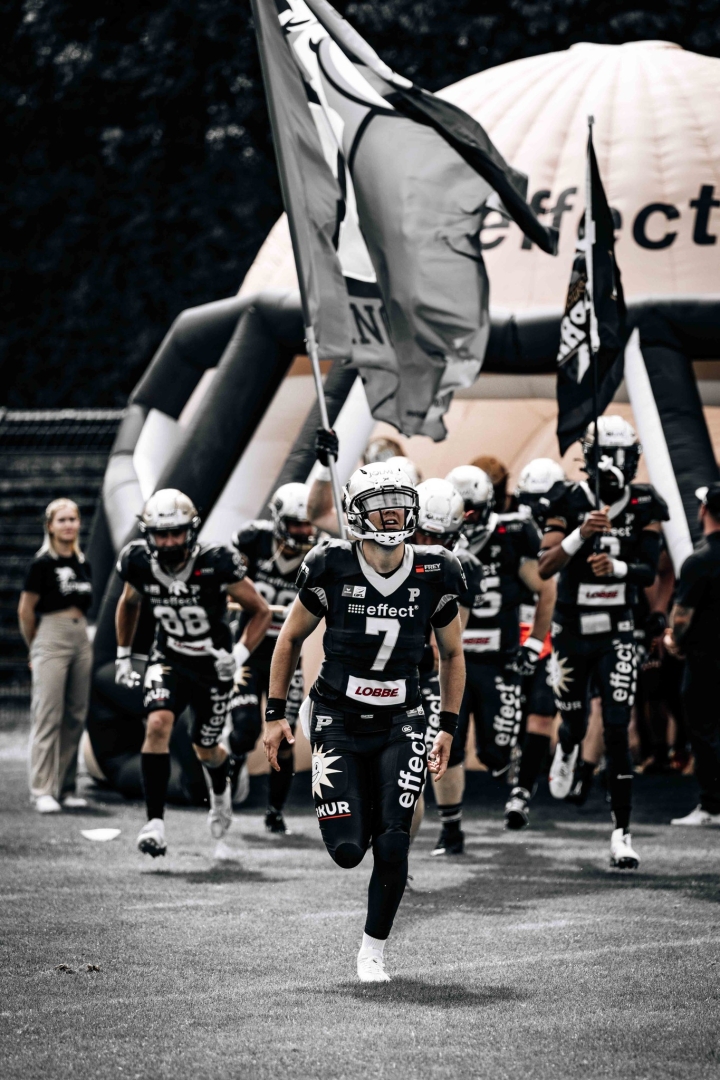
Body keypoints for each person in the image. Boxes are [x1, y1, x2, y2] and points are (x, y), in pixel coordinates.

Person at [263, 461, 466, 982]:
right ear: (356, 514)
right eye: (379, 505)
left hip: (403, 717)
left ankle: (372, 951)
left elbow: (452, 653)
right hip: (337, 716)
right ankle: (365, 807)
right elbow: (289, 638)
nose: (392, 514)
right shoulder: (331, 563)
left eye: (399, 503)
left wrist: (447, 725)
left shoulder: (437, 569)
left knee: (394, 839)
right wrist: (274, 714)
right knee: (350, 850)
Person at [539, 416, 668, 869]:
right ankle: (568, 746)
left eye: (622, 456)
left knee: (616, 726)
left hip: (617, 630)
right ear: (591, 459)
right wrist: (581, 534)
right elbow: (545, 565)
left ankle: (621, 832)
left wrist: (618, 569)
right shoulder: (567, 498)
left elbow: (649, 571)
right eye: (607, 456)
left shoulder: (645, 502)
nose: (615, 465)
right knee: (574, 721)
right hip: (572, 630)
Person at [114, 489, 271, 857]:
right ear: (148, 534)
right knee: (157, 724)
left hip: (212, 667)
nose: (169, 542)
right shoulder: (137, 562)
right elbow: (128, 602)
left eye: (176, 533)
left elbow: (261, 611)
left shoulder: (216, 562)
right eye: (161, 534)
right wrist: (123, 655)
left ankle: (220, 789)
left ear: (191, 531)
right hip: (168, 657)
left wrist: (238, 655)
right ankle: (154, 823)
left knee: (206, 748)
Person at [430, 464, 554, 854]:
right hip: (454, 660)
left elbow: (546, 589)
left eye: (474, 510)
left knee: (494, 752)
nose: (468, 519)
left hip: (499, 659)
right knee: (447, 745)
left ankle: (516, 773)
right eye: (461, 511)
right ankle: (451, 830)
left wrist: (535, 643)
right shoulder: (434, 541)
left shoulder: (513, 532)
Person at [229, 483, 318, 834]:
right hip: (250, 650)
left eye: (307, 523)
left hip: (287, 657)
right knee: (244, 731)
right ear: (280, 520)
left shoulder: (319, 554)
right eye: (296, 523)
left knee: (284, 737)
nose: (304, 531)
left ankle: (274, 812)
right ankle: (233, 767)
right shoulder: (253, 540)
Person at [411, 479, 482, 836]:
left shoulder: (460, 566)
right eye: (423, 534)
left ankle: (449, 830)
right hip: (377, 672)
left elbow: (447, 649)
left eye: (439, 539)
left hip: (422, 673)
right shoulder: (384, 553)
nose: (428, 545)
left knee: (423, 759)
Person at [18, 498, 93, 813]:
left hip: (80, 636)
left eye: (73, 519)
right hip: (51, 634)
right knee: (48, 715)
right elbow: (25, 610)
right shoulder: (42, 564)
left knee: (75, 716)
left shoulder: (82, 562)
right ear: (50, 526)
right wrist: (35, 646)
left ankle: (66, 787)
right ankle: (42, 790)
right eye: (62, 520)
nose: (68, 525)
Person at [504, 459, 562, 829]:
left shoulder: (572, 529)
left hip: (555, 634)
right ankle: (519, 770)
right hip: (513, 632)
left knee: (543, 711)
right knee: (509, 718)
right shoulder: (510, 528)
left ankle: (523, 788)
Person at [665, 483, 720, 826]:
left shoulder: (699, 561)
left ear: (703, 510)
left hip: (705, 658)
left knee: (703, 728)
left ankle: (712, 806)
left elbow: (682, 616)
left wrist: (674, 640)